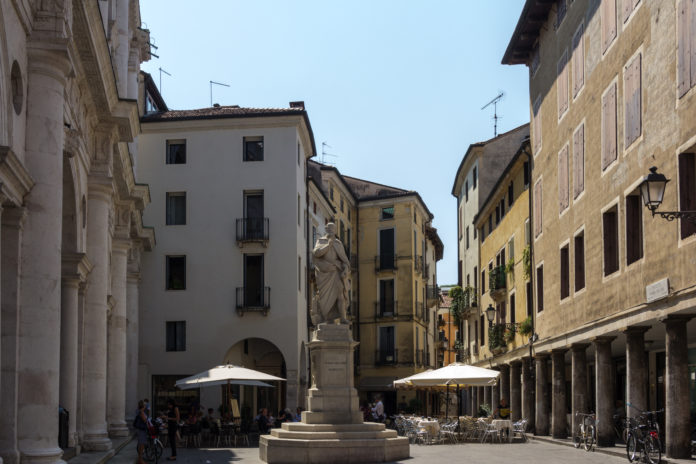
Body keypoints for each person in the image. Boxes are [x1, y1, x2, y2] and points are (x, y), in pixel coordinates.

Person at [311, 223, 351, 325]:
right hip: (324, 274)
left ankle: (342, 318)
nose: (331, 230)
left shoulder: (338, 243)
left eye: (333, 228)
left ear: (336, 230)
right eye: (329, 228)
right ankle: (326, 319)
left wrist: (345, 269)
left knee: (340, 295)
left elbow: (345, 261)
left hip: (336, 272)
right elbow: (316, 253)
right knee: (325, 297)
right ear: (326, 229)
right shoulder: (321, 241)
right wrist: (328, 245)